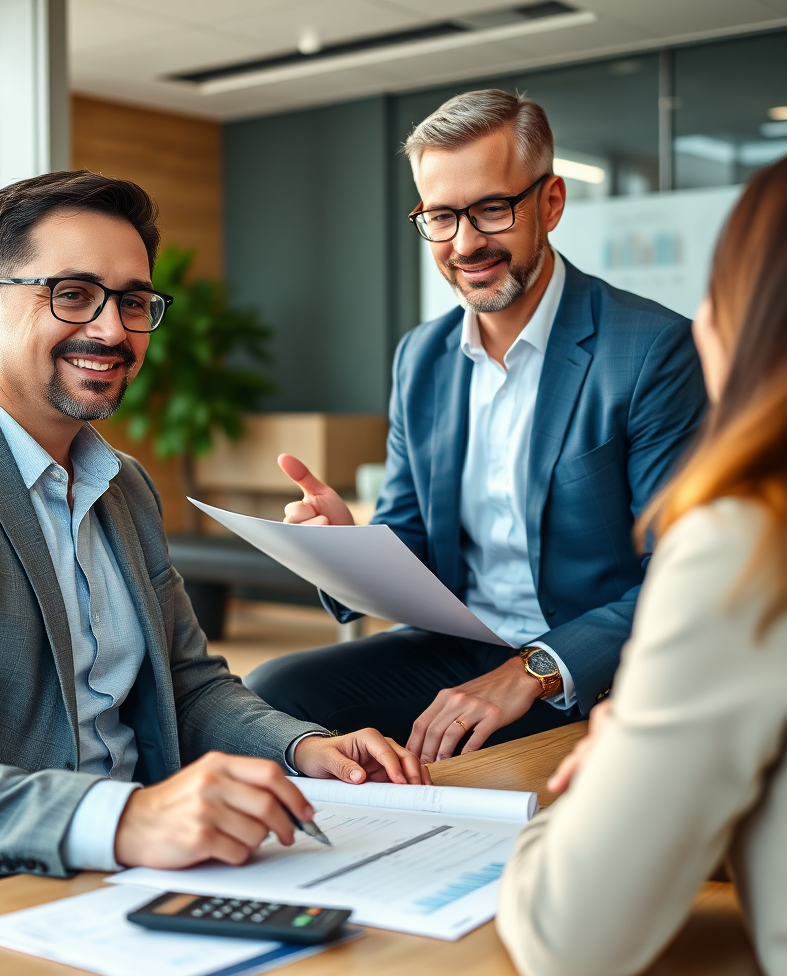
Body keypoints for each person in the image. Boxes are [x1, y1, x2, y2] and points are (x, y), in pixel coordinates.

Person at [0, 171, 421, 930]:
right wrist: (127, 819)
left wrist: (306, 747)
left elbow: (187, 685)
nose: (113, 331)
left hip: (106, 878)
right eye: (72, 294)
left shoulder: (124, 485)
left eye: (134, 302)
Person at [246, 89, 706, 763]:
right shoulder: (422, 357)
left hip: (593, 663)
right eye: (440, 216)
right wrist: (345, 550)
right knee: (273, 694)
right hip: (461, 646)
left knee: (470, 749)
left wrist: (531, 671)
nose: (465, 243)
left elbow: (682, 573)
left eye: (492, 208)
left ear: (550, 203)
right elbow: (411, 538)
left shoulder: (651, 350)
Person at [496, 156, 787, 976]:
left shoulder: (749, 543)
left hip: (568, 659)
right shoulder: (423, 356)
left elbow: (569, 941)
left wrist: (619, 763)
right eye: (438, 214)